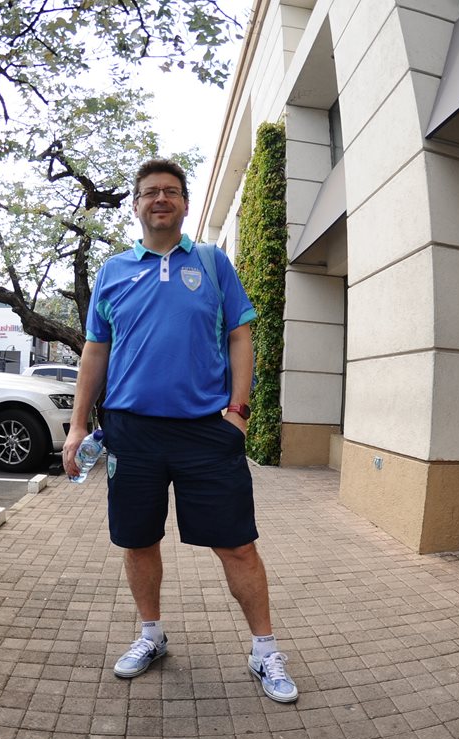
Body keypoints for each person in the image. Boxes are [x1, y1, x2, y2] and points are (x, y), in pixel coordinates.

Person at [62, 158, 297, 703]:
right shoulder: (113, 271)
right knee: (138, 540)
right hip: (132, 434)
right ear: (137, 205)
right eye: (149, 192)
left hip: (205, 435)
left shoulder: (213, 264)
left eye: (170, 191)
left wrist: (239, 411)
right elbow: (95, 351)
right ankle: (151, 636)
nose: (160, 199)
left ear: (185, 204)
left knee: (238, 547)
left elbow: (241, 335)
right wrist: (78, 426)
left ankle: (265, 652)